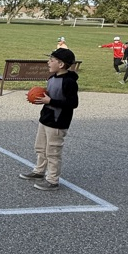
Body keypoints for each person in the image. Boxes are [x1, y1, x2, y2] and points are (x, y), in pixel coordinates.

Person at [18, 47, 78, 191]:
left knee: (53, 151)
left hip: (58, 122)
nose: (48, 62)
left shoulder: (69, 82)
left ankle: (52, 180)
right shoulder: (52, 77)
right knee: (40, 147)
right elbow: (49, 96)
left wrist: (50, 101)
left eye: (52, 60)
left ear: (61, 64)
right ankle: (39, 171)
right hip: (45, 118)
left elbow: (73, 104)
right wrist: (37, 97)